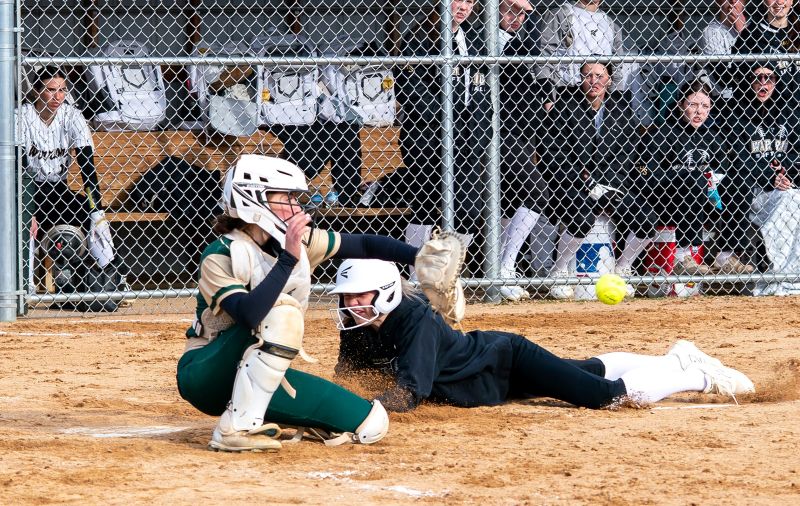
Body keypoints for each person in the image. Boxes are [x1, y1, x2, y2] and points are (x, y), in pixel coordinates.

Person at [175, 154, 426, 452]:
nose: (296, 207)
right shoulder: (222, 253)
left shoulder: (295, 241)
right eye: (287, 198)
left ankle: (260, 414)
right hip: (206, 372)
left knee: (371, 423)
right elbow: (248, 315)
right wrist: (288, 258)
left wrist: (422, 258)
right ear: (253, 199)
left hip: (258, 375)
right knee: (281, 312)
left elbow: (365, 244)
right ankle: (236, 429)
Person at [329, 259, 755, 412]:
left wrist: (351, 413)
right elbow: (347, 376)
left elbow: (407, 395)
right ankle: (677, 356)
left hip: (504, 359)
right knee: (584, 371)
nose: (351, 304)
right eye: (346, 297)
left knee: (602, 397)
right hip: (489, 380)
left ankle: (692, 374)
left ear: (385, 291)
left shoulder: (414, 320)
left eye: (359, 295)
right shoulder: (360, 323)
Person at [540, 61, 656, 299]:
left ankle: (623, 268)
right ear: (580, 79)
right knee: (582, 218)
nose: (594, 81)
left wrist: (607, 184)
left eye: (600, 75)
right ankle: (559, 271)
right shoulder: (565, 107)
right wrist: (585, 182)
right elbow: (554, 153)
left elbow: (628, 152)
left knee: (647, 219)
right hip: (573, 185)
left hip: (611, 184)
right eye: (588, 75)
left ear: (610, 80)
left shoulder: (620, 107)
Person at [16, 66, 122, 307]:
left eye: (62, 90)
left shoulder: (71, 115)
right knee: (25, 222)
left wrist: (97, 210)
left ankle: (109, 276)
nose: (57, 97)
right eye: (50, 90)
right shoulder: (21, 116)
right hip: (29, 189)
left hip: (58, 188)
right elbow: (20, 169)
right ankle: (25, 287)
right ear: (36, 91)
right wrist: (27, 209)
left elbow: (87, 166)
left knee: (91, 213)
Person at [396, 0, 490, 259]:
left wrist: (482, 129)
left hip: (468, 136)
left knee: (470, 209)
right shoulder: (419, 37)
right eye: (457, 0)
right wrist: (448, 114)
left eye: (470, 2)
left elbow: (482, 86)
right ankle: (416, 276)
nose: (463, 7)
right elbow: (410, 89)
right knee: (426, 206)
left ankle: (448, 268)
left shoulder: (474, 37)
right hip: (428, 137)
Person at [636, 80, 753, 275]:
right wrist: (682, 174)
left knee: (741, 183)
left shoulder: (714, 137)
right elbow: (643, 171)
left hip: (706, 201)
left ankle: (726, 255)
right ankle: (682, 255)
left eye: (705, 106)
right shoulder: (663, 134)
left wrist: (711, 180)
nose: (699, 111)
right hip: (667, 200)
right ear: (682, 104)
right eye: (693, 105)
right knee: (695, 180)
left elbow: (722, 172)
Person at [496, 0, 552, 300]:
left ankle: (501, 268)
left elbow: (531, 80)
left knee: (512, 198)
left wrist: (542, 92)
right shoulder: (481, 36)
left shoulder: (525, 40)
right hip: (491, 132)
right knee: (536, 191)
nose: (517, 17)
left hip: (519, 132)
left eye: (523, 12)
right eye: (510, 9)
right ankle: (503, 267)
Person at [728, 64, 800, 292]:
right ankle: (780, 270)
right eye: (757, 77)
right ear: (749, 81)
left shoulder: (789, 113)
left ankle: (789, 268)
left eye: (769, 78)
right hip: (753, 188)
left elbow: (797, 151)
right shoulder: (736, 113)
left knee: (791, 198)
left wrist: (786, 169)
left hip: (786, 184)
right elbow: (737, 159)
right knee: (790, 199)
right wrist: (770, 176)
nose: (763, 83)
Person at [538, 0, 623, 91]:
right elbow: (545, 57)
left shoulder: (609, 23)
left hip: (601, 93)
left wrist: (616, 94)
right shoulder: (561, 14)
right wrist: (548, 95)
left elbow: (616, 67)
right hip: (566, 90)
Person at [701, 0, 747, 101]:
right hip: (725, 98)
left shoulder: (754, 28)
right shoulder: (712, 31)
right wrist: (743, 36)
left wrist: (743, 31)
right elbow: (723, 78)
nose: (733, 1)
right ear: (718, 2)